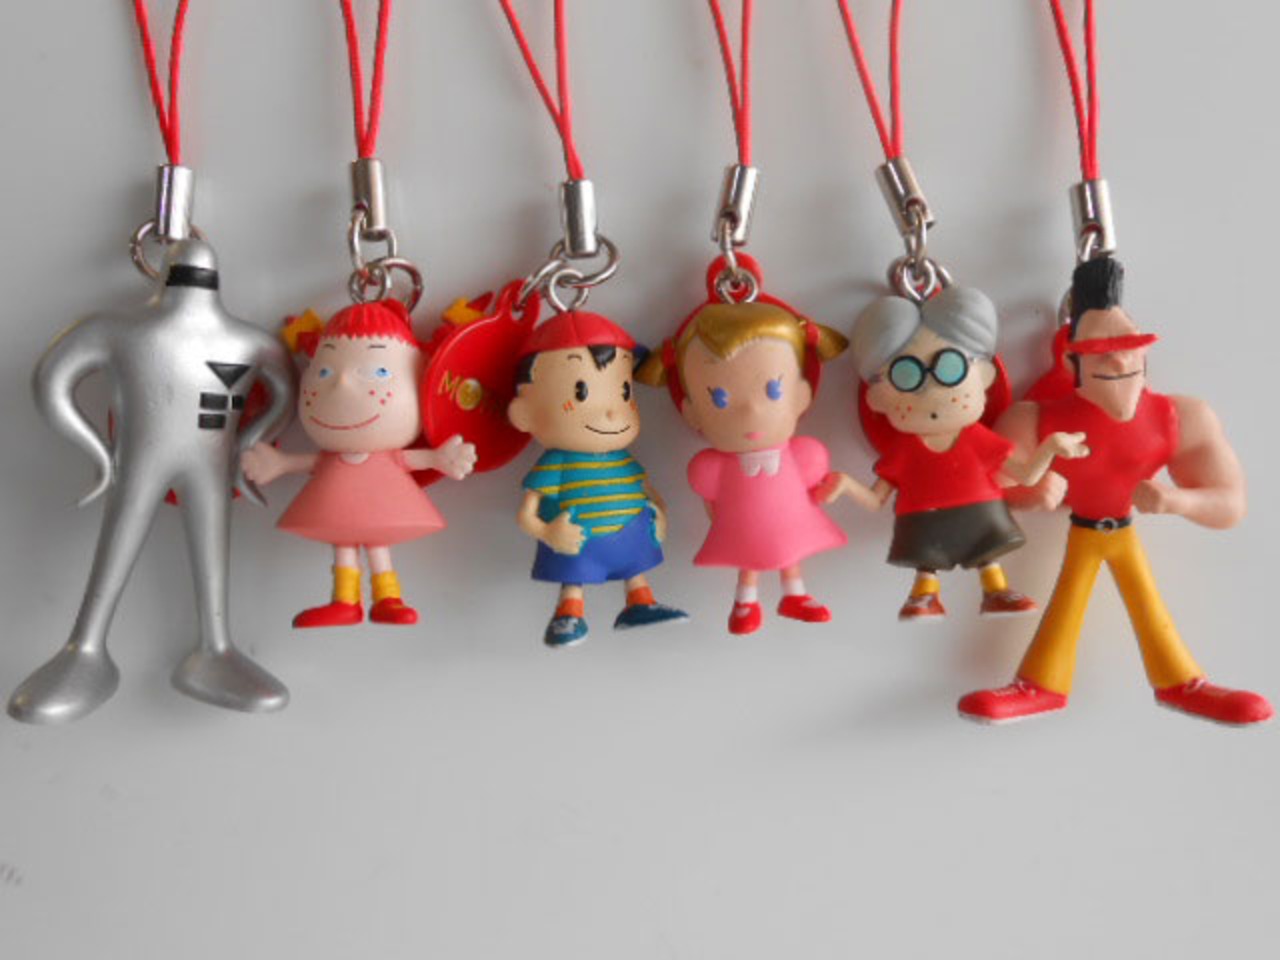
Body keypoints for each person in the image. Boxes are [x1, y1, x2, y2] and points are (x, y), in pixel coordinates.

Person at [958, 257, 1273, 725]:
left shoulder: (1181, 418)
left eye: (1130, 352)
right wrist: (1029, 493)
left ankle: (1182, 683)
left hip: (1121, 526)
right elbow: (977, 492)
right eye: (1104, 356)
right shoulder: (1034, 420)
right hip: (1086, 526)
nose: (1121, 363)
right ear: (1072, 361)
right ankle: (1042, 685)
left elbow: (1230, 505)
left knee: (1146, 603)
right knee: (1070, 602)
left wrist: (1175, 500)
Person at [821, 286, 1087, 620]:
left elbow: (1026, 475)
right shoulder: (905, 450)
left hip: (980, 516)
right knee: (927, 559)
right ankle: (924, 596)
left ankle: (996, 592)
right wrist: (846, 484)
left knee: (987, 554)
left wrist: (1050, 448)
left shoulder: (978, 439)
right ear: (877, 399)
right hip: (923, 522)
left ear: (985, 376)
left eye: (950, 368)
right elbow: (876, 500)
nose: (931, 390)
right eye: (906, 375)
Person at [242, 299, 476, 628]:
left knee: (377, 546)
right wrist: (278, 463)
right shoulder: (332, 454)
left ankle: (387, 599)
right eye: (324, 372)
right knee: (345, 544)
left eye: (378, 372)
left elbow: (411, 459)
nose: (342, 384)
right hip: (338, 507)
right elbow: (311, 462)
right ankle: (344, 602)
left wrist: (440, 459)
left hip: (383, 508)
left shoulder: (389, 453)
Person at [637, 300, 848, 634]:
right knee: (748, 554)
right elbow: (711, 503)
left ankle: (794, 595)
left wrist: (828, 489)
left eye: (773, 390)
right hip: (743, 525)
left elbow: (815, 487)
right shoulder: (712, 467)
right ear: (692, 412)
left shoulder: (803, 454)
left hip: (788, 521)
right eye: (719, 398)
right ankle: (745, 602)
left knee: (788, 545)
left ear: (801, 395)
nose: (750, 410)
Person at [509, 310, 687, 648]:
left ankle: (640, 602)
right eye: (580, 391)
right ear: (524, 413)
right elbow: (525, 515)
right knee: (574, 577)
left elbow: (646, 489)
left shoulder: (622, 460)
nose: (610, 411)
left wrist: (660, 513)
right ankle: (568, 615)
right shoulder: (556, 463)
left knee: (634, 569)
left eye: (623, 391)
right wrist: (548, 532)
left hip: (630, 533)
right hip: (578, 541)